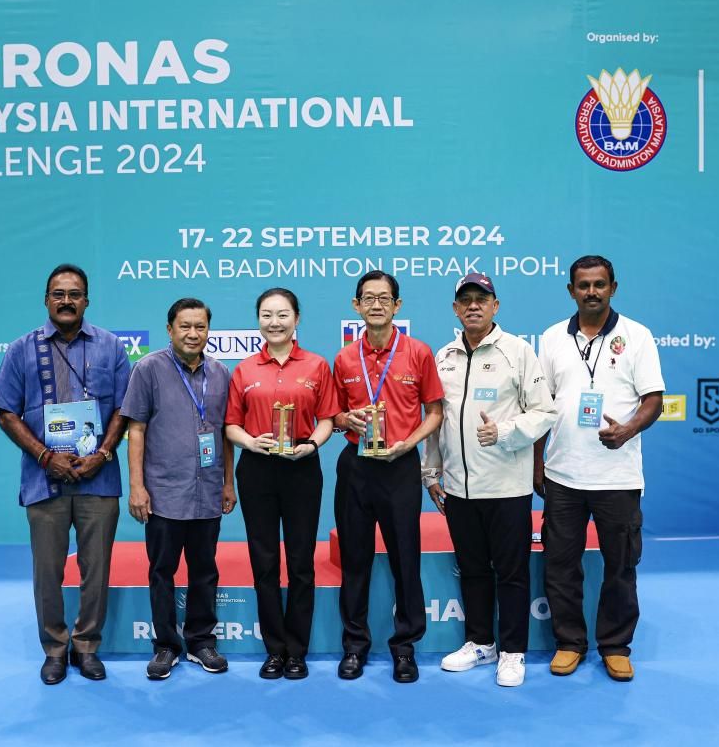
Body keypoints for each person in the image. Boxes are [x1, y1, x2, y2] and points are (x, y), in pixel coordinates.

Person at [0, 263, 131, 685]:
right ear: (46, 300)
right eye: (59, 294)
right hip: (43, 478)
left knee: (96, 570)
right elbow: (6, 412)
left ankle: (87, 647)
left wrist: (103, 453)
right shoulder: (21, 349)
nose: (66, 301)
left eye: (75, 294)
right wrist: (45, 456)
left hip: (98, 478)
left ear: (87, 300)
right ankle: (54, 649)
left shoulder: (111, 347)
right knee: (48, 572)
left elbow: (125, 408)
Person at [422, 272, 557, 687]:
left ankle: (513, 651)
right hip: (459, 489)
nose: (473, 306)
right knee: (473, 569)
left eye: (481, 299)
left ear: (495, 306)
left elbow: (545, 412)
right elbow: (437, 421)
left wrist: (504, 431)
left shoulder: (518, 352)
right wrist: (431, 473)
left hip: (506, 487)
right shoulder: (444, 356)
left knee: (511, 573)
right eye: (466, 300)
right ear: (455, 309)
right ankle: (481, 643)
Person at [534, 255, 664, 682]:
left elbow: (654, 400)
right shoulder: (552, 338)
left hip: (617, 476)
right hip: (563, 474)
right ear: (571, 290)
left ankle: (615, 646)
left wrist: (627, 430)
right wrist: (537, 461)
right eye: (584, 285)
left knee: (621, 565)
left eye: (599, 284)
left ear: (613, 288)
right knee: (560, 564)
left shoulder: (637, 336)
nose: (592, 292)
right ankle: (569, 642)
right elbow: (540, 406)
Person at [332, 270, 443, 683]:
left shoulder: (418, 352)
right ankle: (354, 646)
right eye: (368, 298)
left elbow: (435, 412)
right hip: (356, 467)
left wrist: (408, 443)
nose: (376, 305)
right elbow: (333, 414)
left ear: (397, 305)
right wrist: (345, 419)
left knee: (405, 560)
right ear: (356, 305)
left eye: (384, 298)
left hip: (400, 466)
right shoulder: (344, 358)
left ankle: (405, 648)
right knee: (354, 561)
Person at [224, 288, 340, 680]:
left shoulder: (317, 365)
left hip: (301, 468)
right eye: (267, 315)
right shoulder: (244, 370)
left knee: (301, 561)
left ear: (297, 318)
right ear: (258, 319)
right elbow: (231, 424)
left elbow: (328, 418)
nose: (274, 322)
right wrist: (249, 441)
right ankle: (274, 650)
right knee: (264, 561)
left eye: (282, 315)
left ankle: (297, 652)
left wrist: (312, 445)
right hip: (257, 469)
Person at [121, 297, 236, 680]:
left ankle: (201, 642)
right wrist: (137, 486)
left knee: (205, 571)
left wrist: (228, 482)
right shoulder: (148, 369)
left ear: (208, 330)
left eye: (200, 326)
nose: (192, 333)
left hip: (208, 492)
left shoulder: (221, 373)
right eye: (184, 326)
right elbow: (136, 430)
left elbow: (225, 434)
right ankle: (166, 646)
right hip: (163, 494)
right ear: (170, 329)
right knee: (162, 571)